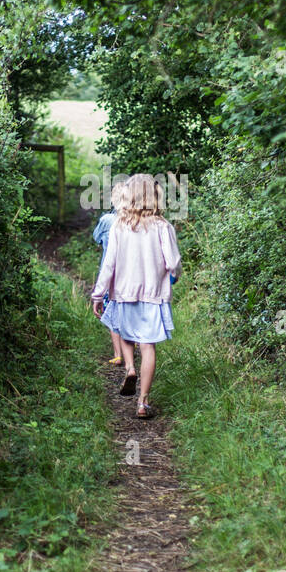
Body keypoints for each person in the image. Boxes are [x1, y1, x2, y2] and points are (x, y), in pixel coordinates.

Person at [90, 173, 182, 419]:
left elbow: (109, 264)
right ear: (155, 196)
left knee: (126, 333)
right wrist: (173, 276)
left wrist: (98, 294)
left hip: (124, 292)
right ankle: (143, 402)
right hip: (153, 294)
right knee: (148, 345)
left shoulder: (119, 225)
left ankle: (130, 368)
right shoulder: (163, 227)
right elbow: (173, 263)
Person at [92, 181, 126, 367]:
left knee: (112, 312)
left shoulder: (106, 220)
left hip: (109, 274)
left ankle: (118, 354)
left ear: (113, 199)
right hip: (130, 276)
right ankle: (132, 341)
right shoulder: (135, 222)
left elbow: (96, 238)